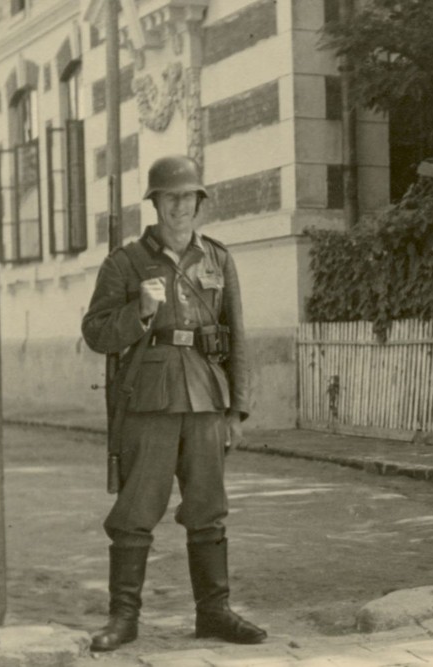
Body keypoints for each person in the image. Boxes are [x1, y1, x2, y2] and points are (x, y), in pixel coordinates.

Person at [81, 155, 267, 650]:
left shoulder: (218, 259)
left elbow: (238, 335)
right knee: (137, 510)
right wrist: (138, 310)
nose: (181, 205)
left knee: (208, 507)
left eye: (189, 197)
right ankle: (124, 619)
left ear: (200, 203)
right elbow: (96, 332)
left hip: (207, 397)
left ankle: (215, 612)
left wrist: (236, 411)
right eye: (171, 197)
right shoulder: (125, 263)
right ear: (155, 203)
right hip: (148, 400)